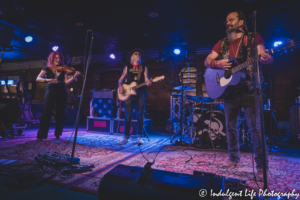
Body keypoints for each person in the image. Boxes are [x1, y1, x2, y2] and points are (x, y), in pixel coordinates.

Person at [204, 10, 273, 181]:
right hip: (229, 92)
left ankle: (261, 167)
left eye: (231, 20)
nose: (227, 23)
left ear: (241, 21)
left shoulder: (253, 37)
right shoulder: (222, 43)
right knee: (230, 127)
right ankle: (234, 159)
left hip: (250, 90)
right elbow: (207, 61)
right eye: (226, 21)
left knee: (255, 129)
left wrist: (266, 58)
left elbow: (263, 55)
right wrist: (216, 63)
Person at [36, 51, 81, 141]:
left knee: (61, 113)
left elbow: (66, 82)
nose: (58, 60)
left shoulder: (63, 70)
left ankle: (58, 134)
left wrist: (74, 77)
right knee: (47, 112)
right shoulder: (47, 68)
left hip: (61, 90)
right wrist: (48, 80)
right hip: (51, 89)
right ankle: (41, 135)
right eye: (56, 58)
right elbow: (38, 78)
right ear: (52, 59)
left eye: (59, 58)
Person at [118, 48, 152, 145]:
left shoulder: (144, 67)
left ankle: (140, 137)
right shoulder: (127, 67)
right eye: (136, 53)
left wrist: (149, 82)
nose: (138, 54)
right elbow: (120, 79)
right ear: (132, 56)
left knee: (140, 115)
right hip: (129, 94)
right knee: (128, 116)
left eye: (139, 54)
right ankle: (126, 137)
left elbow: (147, 79)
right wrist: (120, 87)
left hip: (141, 92)